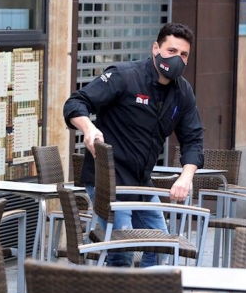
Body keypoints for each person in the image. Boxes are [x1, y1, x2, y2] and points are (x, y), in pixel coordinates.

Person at [63, 22, 205, 267]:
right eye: (172, 51)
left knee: (161, 246)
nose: (177, 59)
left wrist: (186, 176)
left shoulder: (183, 93)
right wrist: (89, 128)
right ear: (155, 49)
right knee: (123, 250)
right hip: (108, 181)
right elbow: (77, 102)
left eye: (184, 55)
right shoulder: (125, 75)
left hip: (141, 183)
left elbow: (193, 137)